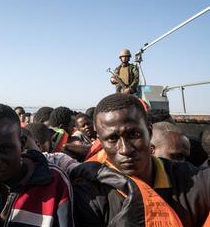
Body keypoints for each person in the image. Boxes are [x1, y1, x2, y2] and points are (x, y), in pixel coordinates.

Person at [71, 93, 210, 226]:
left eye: (134, 134)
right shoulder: (88, 197)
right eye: (112, 139)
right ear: (100, 141)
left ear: (149, 132)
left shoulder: (196, 180)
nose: (125, 149)